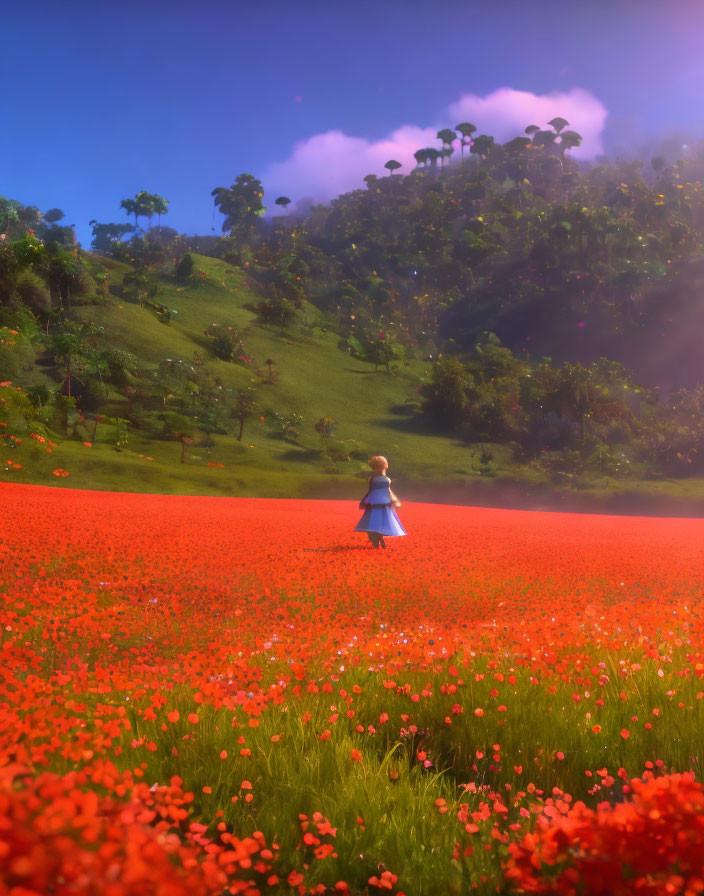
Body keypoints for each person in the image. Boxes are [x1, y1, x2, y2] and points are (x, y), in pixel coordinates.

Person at [354, 455, 407, 548]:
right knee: (381, 521)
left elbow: (372, 490)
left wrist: (363, 501)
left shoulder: (373, 479)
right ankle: (378, 538)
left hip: (375, 502)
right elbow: (387, 491)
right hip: (382, 502)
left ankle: (376, 539)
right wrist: (394, 500)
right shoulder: (385, 479)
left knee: (373, 522)